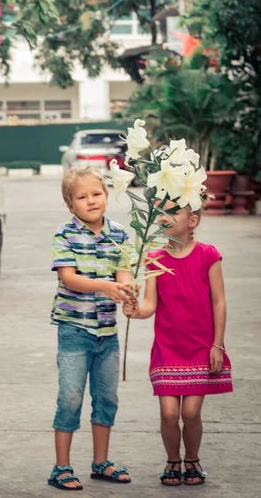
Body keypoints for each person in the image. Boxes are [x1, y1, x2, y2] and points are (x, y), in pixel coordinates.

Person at [123, 199, 233, 486]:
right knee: (169, 413)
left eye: (173, 212)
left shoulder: (209, 255)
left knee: (191, 412)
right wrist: (135, 311)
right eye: (160, 213)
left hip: (200, 347)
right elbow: (149, 305)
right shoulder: (154, 259)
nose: (163, 218)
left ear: (192, 220)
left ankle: (192, 458)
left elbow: (219, 302)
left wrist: (217, 345)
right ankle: (173, 460)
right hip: (168, 349)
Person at [48, 166, 138, 491]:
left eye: (96, 194)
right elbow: (68, 277)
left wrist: (127, 289)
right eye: (82, 197)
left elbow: (124, 271)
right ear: (71, 205)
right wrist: (106, 286)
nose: (91, 201)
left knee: (106, 398)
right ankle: (61, 467)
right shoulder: (65, 234)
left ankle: (101, 463)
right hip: (75, 331)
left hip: (107, 333)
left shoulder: (120, 234)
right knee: (70, 398)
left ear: (107, 195)